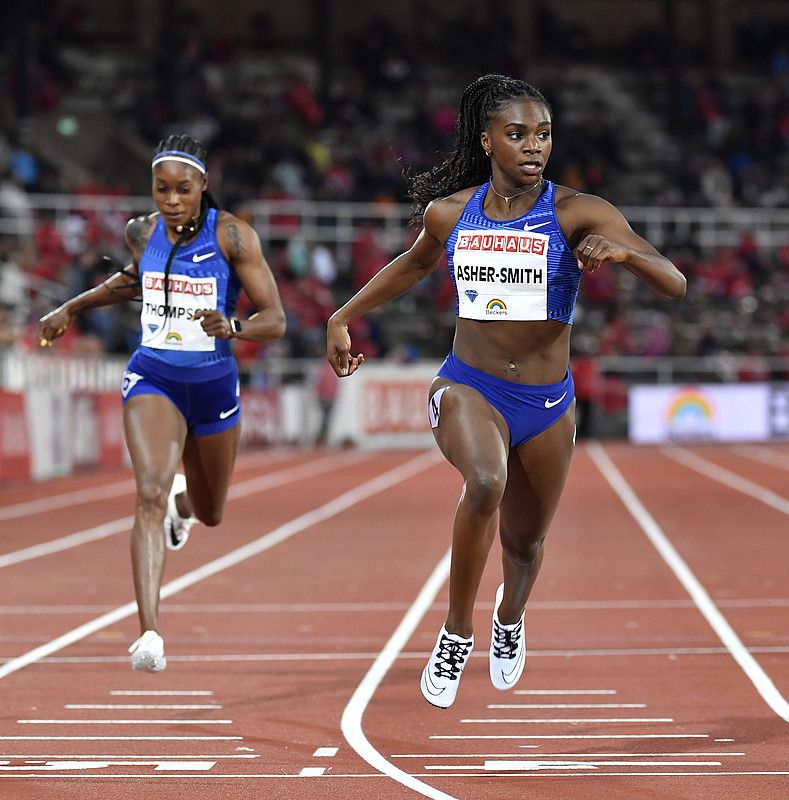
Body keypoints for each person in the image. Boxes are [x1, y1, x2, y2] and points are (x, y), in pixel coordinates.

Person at [327, 74, 685, 708]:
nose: (533, 146)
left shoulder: (579, 212)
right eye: (517, 134)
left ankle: (509, 619)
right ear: (487, 140)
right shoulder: (450, 213)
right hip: (469, 384)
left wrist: (624, 255)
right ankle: (455, 632)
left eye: (543, 134)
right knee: (486, 481)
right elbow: (414, 263)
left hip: (546, 405)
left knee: (524, 544)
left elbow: (675, 282)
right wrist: (342, 316)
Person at [38, 135, 286, 672]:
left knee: (212, 511)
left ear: (203, 186)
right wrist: (70, 309)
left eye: (183, 189)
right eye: (161, 189)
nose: (171, 200)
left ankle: (184, 509)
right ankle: (149, 633)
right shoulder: (142, 232)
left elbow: (275, 319)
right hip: (154, 378)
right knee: (148, 493)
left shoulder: (233, 236)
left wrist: (235, 326)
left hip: (213, 385)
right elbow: (135, 282)